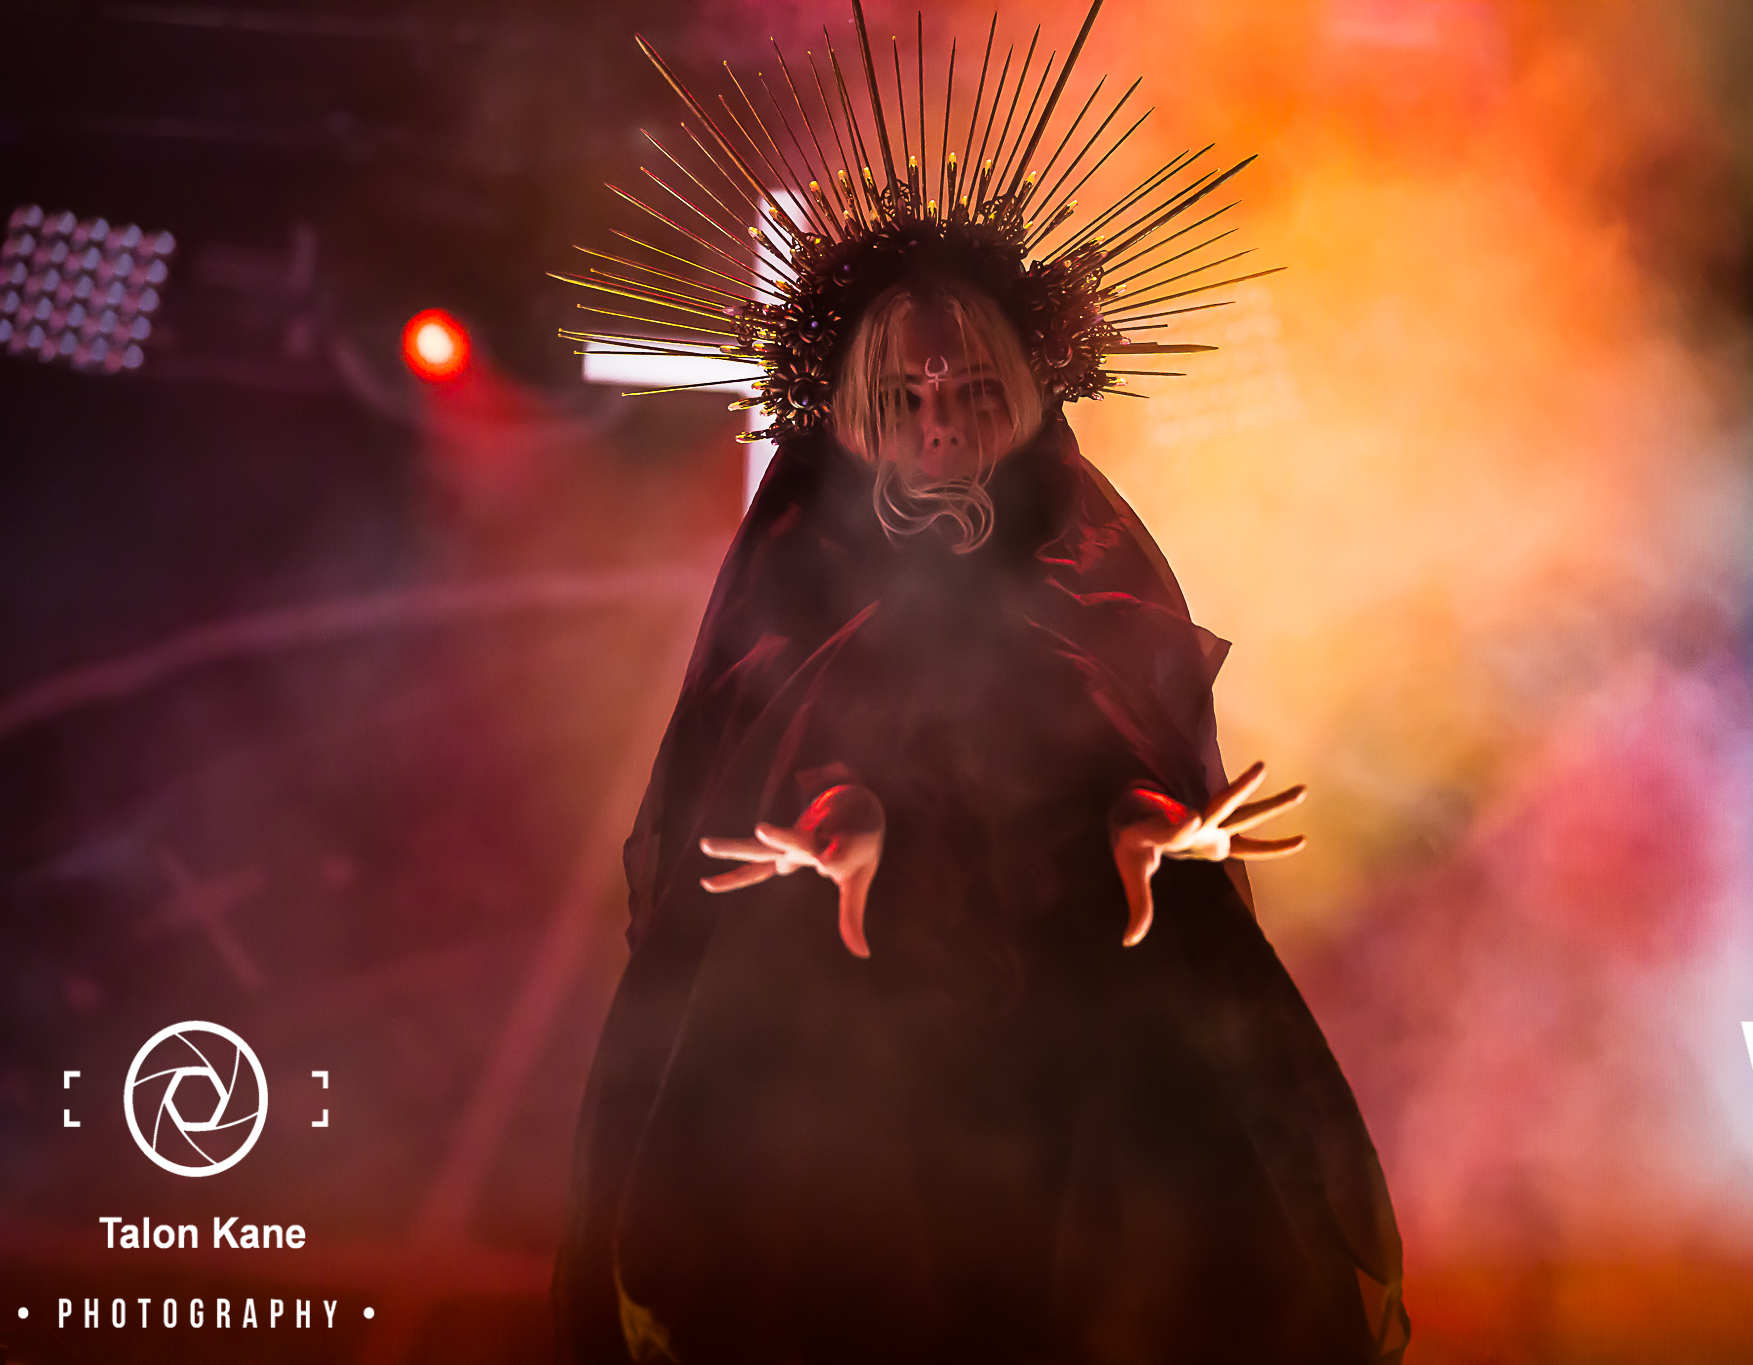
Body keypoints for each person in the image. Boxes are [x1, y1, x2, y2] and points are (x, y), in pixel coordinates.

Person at [554, 272, 1408, 1363]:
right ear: (853, 410)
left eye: (970, 391)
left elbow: (1107, 713)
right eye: (907, 398)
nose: (941, 425)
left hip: (1078, 983)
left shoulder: (1078, 556)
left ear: (1021, 394)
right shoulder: (805, 563)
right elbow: (799, 706)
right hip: (855, 997)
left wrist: (1143, 812)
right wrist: (838, 811)